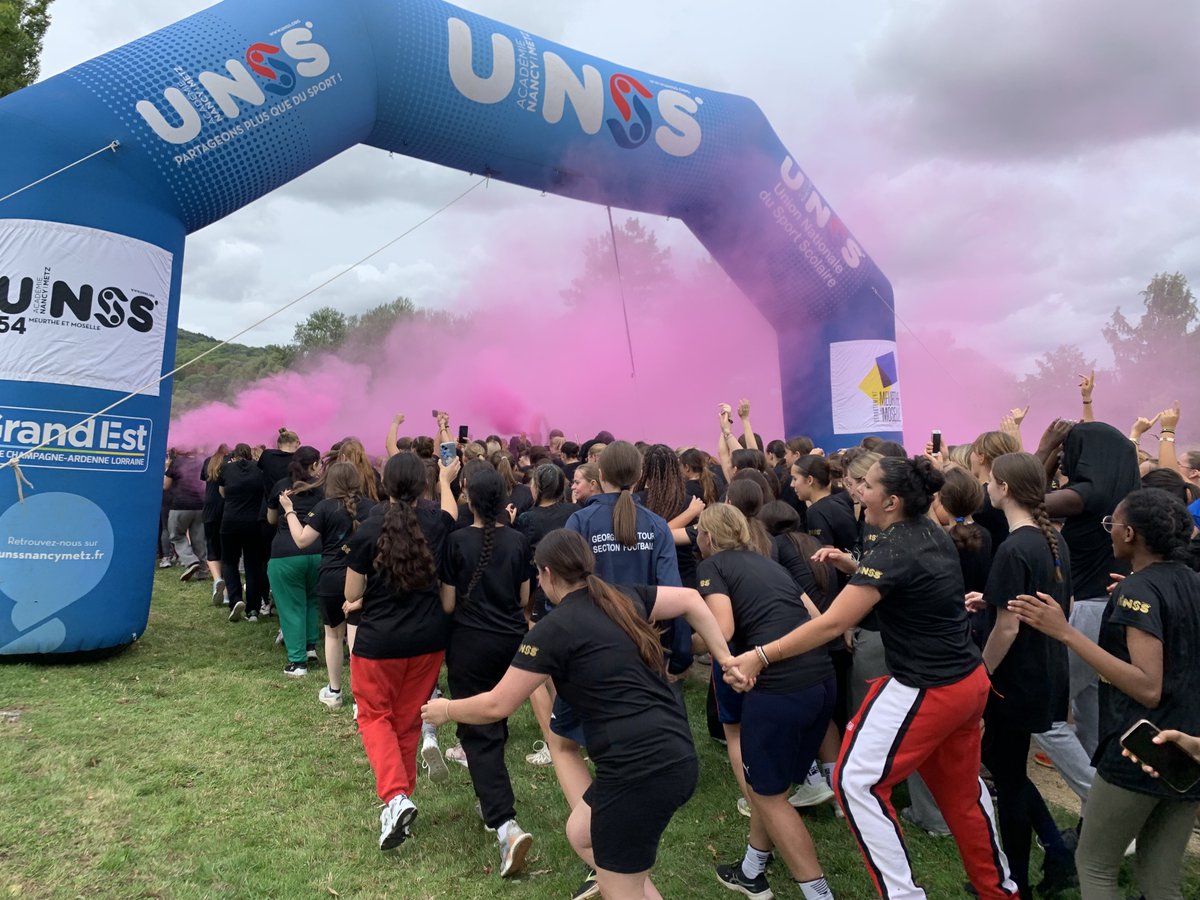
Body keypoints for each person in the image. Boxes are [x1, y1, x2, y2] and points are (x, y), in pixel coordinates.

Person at [725, 456, 1018, 900]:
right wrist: (853, 566)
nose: (857, 490)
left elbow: (828, 624)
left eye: (866, 484)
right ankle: (1000, 891)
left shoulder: (894, 547)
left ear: (891, 500)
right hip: (967, 681)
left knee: (854, 780)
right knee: (963, 796)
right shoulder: (927, 533)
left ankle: (903, 895)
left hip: (928, 687)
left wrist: (760, 655)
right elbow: (898, 580)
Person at [422, 529, 734, 900]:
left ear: (549, 573)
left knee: (619, 888)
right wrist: (725, 656)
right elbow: (689, 600)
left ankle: (628, 886)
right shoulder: (622, 598)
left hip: (639, 769)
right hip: (674, 750)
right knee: (581, 832)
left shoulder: (552, 631)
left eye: (538, 574)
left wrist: (446, 709)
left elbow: (496, 705)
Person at [1009, 487, 1200, 900]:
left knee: (1095, 865)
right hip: (1189, 752)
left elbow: (1148, 687)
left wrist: (1065, 632)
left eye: (1112, 524)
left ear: (1129, 534)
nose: (1108, 531)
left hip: (1141, 750)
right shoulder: (1187, 582)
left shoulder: (1139, 591)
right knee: (1161, 880)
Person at [696, 505, 837, 900]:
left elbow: (721, 630)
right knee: (767, 786)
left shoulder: (714, 566)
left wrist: (680, 643)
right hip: (821, 681)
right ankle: (751, 870)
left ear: (707, 537)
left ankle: (818, 893)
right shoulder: (770, 565)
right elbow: (814, 617)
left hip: (779, 688)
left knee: (770, 797)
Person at [973, 452, 1076, 898]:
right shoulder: (1053, 540)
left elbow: (1008, 626)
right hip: (1047, 670)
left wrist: (981, 674)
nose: (987, 488)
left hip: (1012, 681)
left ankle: (1015, 879)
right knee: (1009, 770)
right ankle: (1055, 852)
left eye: (991, 481)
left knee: (1008, 779)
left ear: (1005, 488)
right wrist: (991, 597)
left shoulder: (1014, 547)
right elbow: (1055, 609)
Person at [343, 452, 456, 851]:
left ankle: (394, 797)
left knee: (374, 717)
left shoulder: (366, 530)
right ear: (423, 485)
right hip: (428, 642)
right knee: (407, 721)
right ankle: (400, 801)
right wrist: (447, 479)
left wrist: (359, 599)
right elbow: (449, 517)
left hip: (380, 644)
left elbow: (351, 593)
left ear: (384, 485)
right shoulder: (438, 524)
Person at [439, 467, 535, 877]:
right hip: (510, 643)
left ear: (467, 497)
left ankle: (505, 825)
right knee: (494, 719)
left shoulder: (456, 541)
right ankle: (488, 796)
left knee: (478, 731)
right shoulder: (518, 540)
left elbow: (446, 604)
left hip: (470, 643)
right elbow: (524, 598)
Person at [279, 461, 376, 707]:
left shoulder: (324, 508)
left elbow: (302, 540)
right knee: (359, 637)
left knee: (333, 635)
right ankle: (361, 699)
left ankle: (334, 691)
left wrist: (289, 510)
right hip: (362, 578)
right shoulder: (371, 508)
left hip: (331, 579)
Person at [266, 446, 324, 677]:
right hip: (318, 553)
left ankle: (297, 662)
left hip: (286, 555)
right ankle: (310, 647)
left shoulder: (281, 486)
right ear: (313, 465)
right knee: (311, 601)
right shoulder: (322, 488)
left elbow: (270, 518)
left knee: (291, 607)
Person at [219, 443, 268, 623]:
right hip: (253, 523)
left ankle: (235, 599)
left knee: (230, 562)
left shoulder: (226, 469)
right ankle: (253, 609)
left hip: (230, 521)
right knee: (253, 565)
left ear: (235, 454)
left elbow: (222, 492)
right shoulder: (259, 469)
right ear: (249, 454)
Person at [164, 448, 208, 583]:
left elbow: (166, 485)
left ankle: (190, 560)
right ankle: (202, 571)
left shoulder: (176, 463)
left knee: (176, 536)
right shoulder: (202, 462)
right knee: (199, 539)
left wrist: (166, 468)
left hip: (179, 506)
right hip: (200, 506)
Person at [200, 444, 230, 604]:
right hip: (227, 508)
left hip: (210, 509)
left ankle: (218, 580)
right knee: (226, 550)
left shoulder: (208, 462)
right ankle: (226, 590)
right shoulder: (231, 462)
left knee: (212, 547)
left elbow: (204, 480)